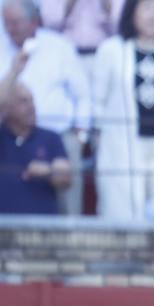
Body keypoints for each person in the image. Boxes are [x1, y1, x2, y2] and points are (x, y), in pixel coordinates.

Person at [90, 0, 154, 219]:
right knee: (122, 209)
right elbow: (97, 101)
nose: (153, 15)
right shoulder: (111, 50)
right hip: (122, 146)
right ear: (132, 13)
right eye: (146, 8)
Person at [1, 0, 90, 213]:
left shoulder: (58, 46)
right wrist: (14, 70)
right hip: (10, 138)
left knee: (69, 208)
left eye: (15, 22)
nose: (10, 28)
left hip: (59, 137)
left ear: (33, 21)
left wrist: (81, 136)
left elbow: (83, 94)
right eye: (6, 23)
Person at [0, 78, 70, 212]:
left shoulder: (51, 138)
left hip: (42, 224)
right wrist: (15, 70)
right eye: (23, 101)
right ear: (6, 108)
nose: (31, 107)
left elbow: (66, 178)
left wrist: (49, 171)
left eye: (32, 100)